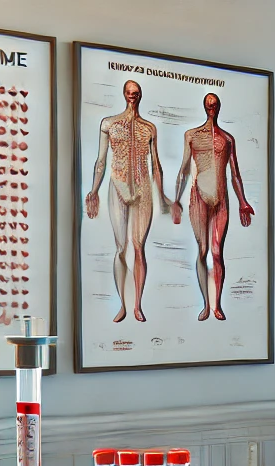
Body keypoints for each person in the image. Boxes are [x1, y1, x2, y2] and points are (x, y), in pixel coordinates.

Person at [85, 79, 170, 324]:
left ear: (140, 95)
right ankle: (122, 304)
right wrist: (94, 190)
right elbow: (100, 160)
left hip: (142, 187)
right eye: (129, 92)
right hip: (118, 185)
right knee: (121, 247)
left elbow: (156, 164)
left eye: (136, 92)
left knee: (139, 246)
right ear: (124, 94)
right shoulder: (109, 124)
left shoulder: (149, 128)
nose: (132, 96)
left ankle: (137, 305)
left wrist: (162, 196)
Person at [171, 92, 254, 322]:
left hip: (221, 198)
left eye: (215, 105)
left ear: (219, 107)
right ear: (204, 107)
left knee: (217, 252)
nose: (211, 109)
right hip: (199, 197)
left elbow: (235, 173)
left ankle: (216, 305)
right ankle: (205, 305)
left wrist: (243, 202)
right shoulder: (192, 136)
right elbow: (184, 169)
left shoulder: (227, 139)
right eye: (208, 105)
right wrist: (176, 199)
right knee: (203, 250)